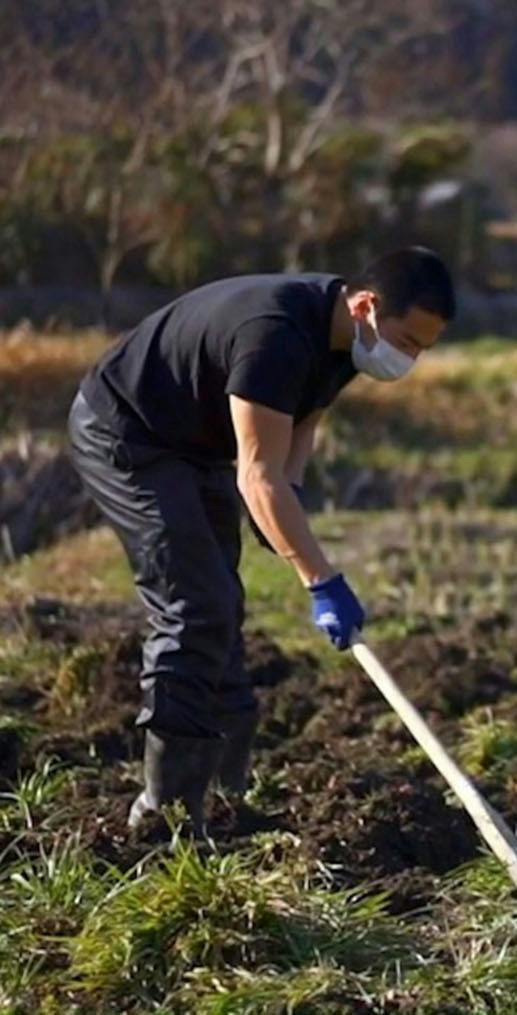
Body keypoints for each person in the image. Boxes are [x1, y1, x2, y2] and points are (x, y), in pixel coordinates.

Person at [67, 247, 455, 837]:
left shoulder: (345, 342)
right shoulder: (274, 334)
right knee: (195, 606)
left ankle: (225, 794)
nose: (409, 360)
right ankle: (163, 815)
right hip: (130, 434)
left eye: (421, 350)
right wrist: (322, 581)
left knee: (223, 600)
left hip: (197, 445)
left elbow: (300, 431)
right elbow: (257, 474)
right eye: (406, 341)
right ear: (368, 305)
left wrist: (288, 503)